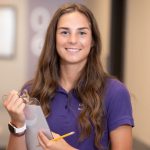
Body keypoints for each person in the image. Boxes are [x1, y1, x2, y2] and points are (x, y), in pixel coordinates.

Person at [3, 2, 134, 150]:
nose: (72, 40)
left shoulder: (115, 92)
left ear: (93, 41)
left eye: (82, 33)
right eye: (65, 32)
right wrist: (17, 124)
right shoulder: (32, 90)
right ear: (54, 39)